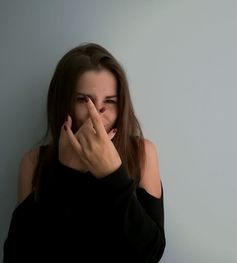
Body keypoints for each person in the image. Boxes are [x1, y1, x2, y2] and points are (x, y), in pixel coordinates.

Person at [3, 43, 165, 262]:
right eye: (83, 100)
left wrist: (112, 175)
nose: (96, 114)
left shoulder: (142, 153)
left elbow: (151, 254)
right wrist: (65, 174)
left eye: (109, 101)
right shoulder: (34, 162)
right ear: (63, 104)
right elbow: (18, 256)